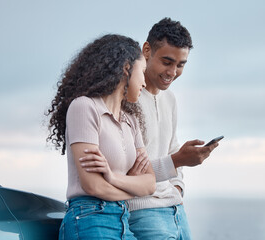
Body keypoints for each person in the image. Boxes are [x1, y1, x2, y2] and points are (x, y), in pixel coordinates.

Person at [81, 18, 219, 239]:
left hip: (177, 210)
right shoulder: (125, 99)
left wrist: (177, 189)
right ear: (147, 50)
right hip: (143, 212)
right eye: (167, 61)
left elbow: (171, 148)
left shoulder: (170, 99)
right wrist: (178, 160)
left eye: (181, 64)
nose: (172, 72)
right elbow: (127, 171)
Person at [46, 34, 156, 240]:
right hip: (90, 218)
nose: (144, 82)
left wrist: (113, 178)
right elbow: (92, 186)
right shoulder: (85, 107)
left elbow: (149, 184)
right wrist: (133, 187)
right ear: (126, 68)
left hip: (123, 220)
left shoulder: (131, 121)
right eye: (142, 72)